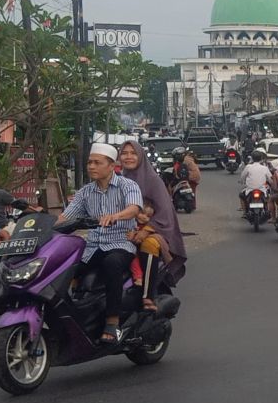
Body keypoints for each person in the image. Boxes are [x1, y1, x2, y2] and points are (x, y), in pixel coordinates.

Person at [57, 142, 144, 344]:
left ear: (111, 165)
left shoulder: (127, 185)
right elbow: (65, 218)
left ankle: (112, 323)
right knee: (66, 268)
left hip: (120, 243)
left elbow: (134, 209)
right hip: (92, 246)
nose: (91, 167)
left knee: (112, 264)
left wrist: (116, 216)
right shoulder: (85, 192)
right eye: (89, 162)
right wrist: (40, 224)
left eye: (97, 163)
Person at [115, 139, 187, 291]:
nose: (128, 157)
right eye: (124, 153)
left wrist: (144, 230)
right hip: (126, 227)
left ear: (140, 156)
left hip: (155, 228)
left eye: (133, 153)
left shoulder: (152, 180)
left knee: (149, 244)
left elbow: (165, 211)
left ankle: (148, 294)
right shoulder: (119, 179)